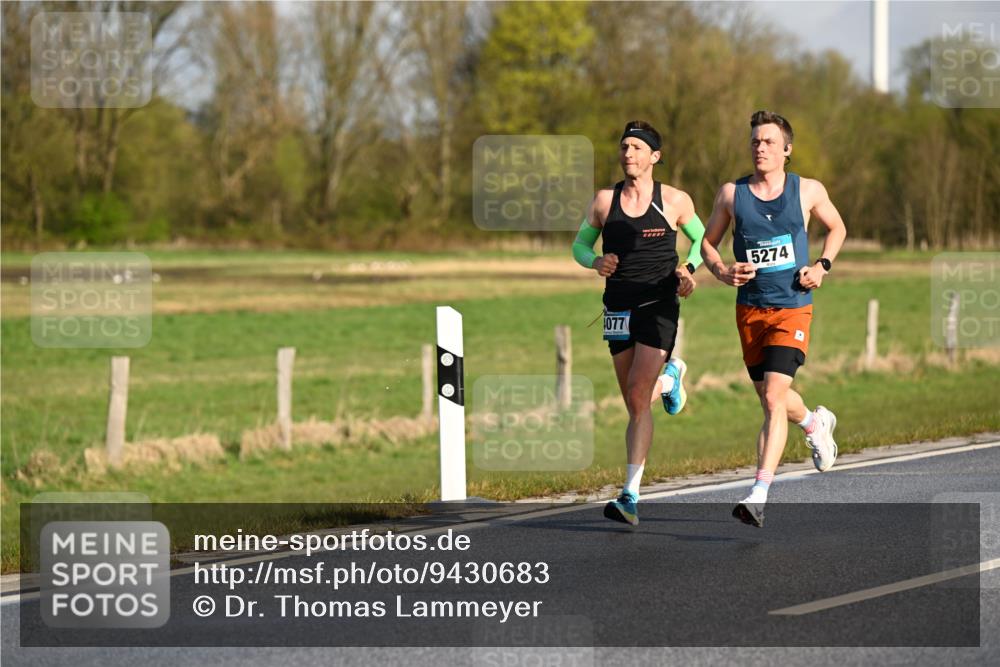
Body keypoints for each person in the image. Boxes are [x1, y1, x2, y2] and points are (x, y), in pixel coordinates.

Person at [701, 110, 847, 527]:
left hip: (792, 306)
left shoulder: (807, 190)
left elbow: (837, 229)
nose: (759, 148)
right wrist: (722, 270)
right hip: (750, 309)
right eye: (754, 141)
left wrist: (821, 266)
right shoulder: (731, 194)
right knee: (774, 398)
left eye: (768, 141)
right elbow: (708, 244)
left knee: (771, 399)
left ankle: (759, 492)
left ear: (786, 149)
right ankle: (815, 422)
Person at [572, 120, 706, 526]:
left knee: (637, 389)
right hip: (617, 308)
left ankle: (629, 494)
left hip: (659, 303)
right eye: (624, 146)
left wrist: (689, 268)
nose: (627, 153)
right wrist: (595, 260)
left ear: (654, 156)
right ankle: (672, 379)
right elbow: (579, 245)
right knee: (634, 402)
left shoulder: (675, 201)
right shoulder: (603, 201)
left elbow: (702, 240)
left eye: (636, 147)